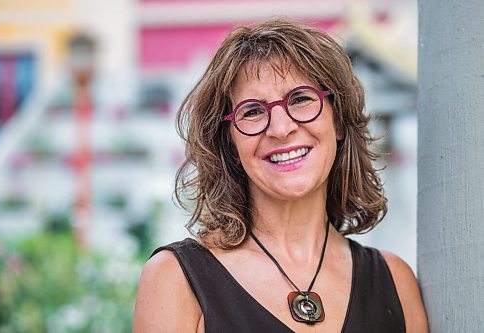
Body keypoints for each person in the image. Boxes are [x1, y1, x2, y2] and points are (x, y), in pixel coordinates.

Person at [133, 19, 428, 333]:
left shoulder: (396, 283)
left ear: (339, 122)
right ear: (231, 144)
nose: (281, 128)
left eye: (300, 99)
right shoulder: (176, 279)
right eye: (253, 111)